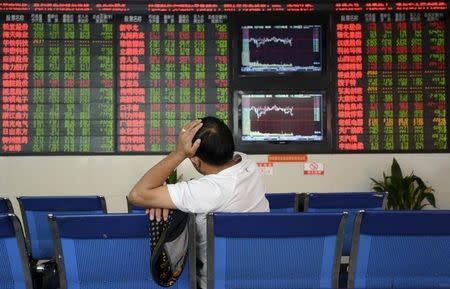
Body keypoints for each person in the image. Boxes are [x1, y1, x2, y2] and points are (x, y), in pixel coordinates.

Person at [128, 116, 269, 289]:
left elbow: (137, 195)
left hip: (213, 284)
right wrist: (162, 199)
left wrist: (179, 153)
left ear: (195, 160)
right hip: (259, 278)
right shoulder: (247, 164)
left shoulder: (208, 191)